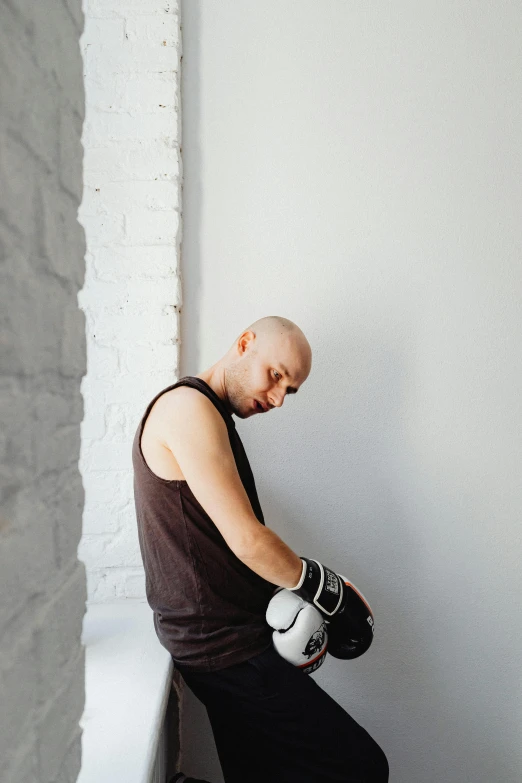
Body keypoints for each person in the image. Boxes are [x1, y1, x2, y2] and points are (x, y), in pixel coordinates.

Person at [132, 316, 389, 783]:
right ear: (244, 343)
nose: (276, 399)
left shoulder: (207, 413)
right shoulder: (187, 409)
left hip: (226, 635)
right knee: (361, 768)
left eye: (288, 391)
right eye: (275, 376)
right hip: (222, 645)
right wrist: (329, 592)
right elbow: (247, 540)